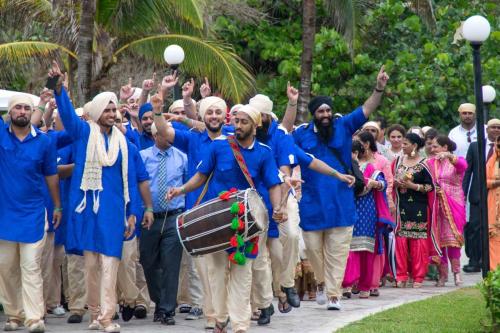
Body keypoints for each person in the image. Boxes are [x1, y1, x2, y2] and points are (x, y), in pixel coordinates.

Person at [167, 104, 285, 333]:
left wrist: (279, 206)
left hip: (248, 222)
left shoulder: (264, 152)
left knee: (243, 273)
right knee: (217, 274)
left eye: (243, 122)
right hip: (217, 220)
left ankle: (240, 325)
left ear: (255, 125)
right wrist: (180, 190)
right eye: (236, 121)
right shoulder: (219, 146)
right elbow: (201, 176)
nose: (237, 126)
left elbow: (273, 184)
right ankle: (220, 319)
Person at [50, 61, 149, 333]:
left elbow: (130, 181)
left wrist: (133, 213)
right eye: (106, 109)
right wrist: (61, 91)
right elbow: (68, 117)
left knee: (110, 263)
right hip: (86, 209)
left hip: (113, 211)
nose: (111, 113)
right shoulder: (83, 134)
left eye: (114, 109)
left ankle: (107, 316)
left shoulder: (125, 145)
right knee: (91, 265)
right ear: (95, 112)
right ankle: (95, 316)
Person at [292, 65, 389, 310]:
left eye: (328, 109)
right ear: (314, 114)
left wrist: (378, 88)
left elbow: (368, 108)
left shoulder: (344, 126)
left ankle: (334, 294)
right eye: (320, 110)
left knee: (337, 251)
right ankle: (323, 283)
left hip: (342, 201)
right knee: (314, 250)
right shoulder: (302, 134)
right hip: (313, 203)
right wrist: (291, 105)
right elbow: (282, 140)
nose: (325, 113)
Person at [0, 94, 61, 333]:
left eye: (27, 108)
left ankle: (35, 318)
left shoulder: (44, 142)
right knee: (6, 268)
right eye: (18, 108)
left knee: (31, 266)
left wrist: (57, 205)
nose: (22, 112)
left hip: (33, 214)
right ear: (10, 112)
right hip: (4, 214)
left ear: (32, 112)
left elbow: (51, 176)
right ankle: (14, 315)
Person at [139, 121, 187, 326]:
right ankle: (159, 301)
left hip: (174, 216)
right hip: (149, 218)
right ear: (154, 136)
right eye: (163, 133)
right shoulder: (142, 157)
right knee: (148, 262)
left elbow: (189, 183)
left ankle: (167, 310)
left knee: (171, 263)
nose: (168, 136)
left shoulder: (181, 157)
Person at [342, 140, 393, 299]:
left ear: (356, 153)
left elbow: (382, 184)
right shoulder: (342, 169)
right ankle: (347, 285)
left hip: (366, 212)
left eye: (349, 152)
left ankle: (365, 286)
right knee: (348, 249)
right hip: (348, 210)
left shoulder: (369, 168)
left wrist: (374, 183)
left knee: (365, 249)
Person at [392, 133, 435, 288]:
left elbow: (430, 187)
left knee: (418, 242)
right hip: (401, 206)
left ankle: (418, 276)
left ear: (414, 146)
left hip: (419, 207)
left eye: (405, 144)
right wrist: (396, 183)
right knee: (401, 241)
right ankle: (402, 275)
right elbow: (391, 181)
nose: (402, 146)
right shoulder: (397, 161)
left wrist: (413, 186)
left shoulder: (424, 164)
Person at [427, 135, 467, 286]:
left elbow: (463, 166)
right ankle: (442, 275)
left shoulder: (456, 161)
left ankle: (457, 273)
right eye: (431, 146)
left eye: (436, 146)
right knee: (439, 241)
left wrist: (449, 156)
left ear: (445, 147)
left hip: (454, 205)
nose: (432, 149)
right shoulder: (431, 163)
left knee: (453, 241)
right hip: (436, 206)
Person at [462, 118, 500, 272]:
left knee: (494, 229)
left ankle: (492, 261)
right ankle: (474, 260)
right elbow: (467, 172)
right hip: (478, 195)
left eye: (499, 127)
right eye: (493, 127)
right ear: (487, 129)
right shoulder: (475, 146)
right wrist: (462, 194)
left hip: (496, 197)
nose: (496, 130)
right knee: (474, 228)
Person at [487, 135, 500, 270]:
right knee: (494, 236)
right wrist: (497, 182)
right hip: (494, 202)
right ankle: (495, 271)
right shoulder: (492, 161)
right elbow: (484, 181)